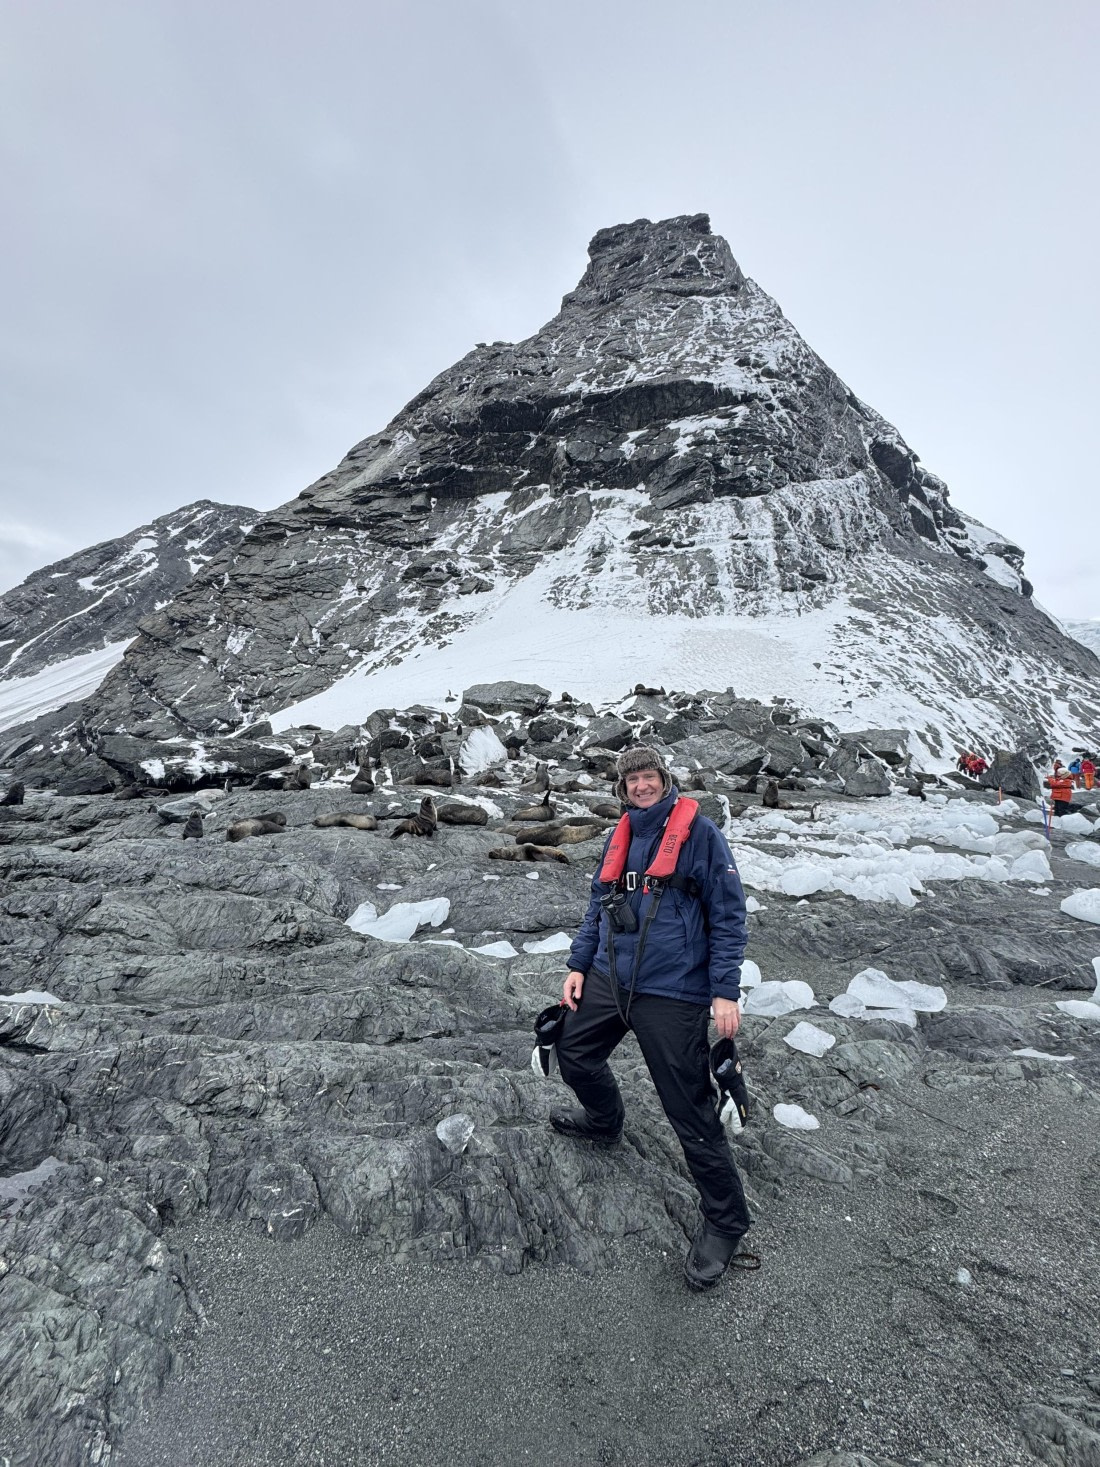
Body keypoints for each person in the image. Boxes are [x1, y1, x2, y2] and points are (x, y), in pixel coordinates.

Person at [551, 745, 752, 1291]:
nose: (641, 785)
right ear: (622, 788)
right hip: (611, 978)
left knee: (687, 1108)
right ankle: (605, 1121)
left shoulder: (700, 835)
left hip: (674, 989)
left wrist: (724, 991)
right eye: (632, 779)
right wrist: (578, 965)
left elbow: (730, 913)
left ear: (665, 780)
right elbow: (598, 903)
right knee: (572, 1052)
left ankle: (726, 1222)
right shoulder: (622, 834)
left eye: (649, 776)